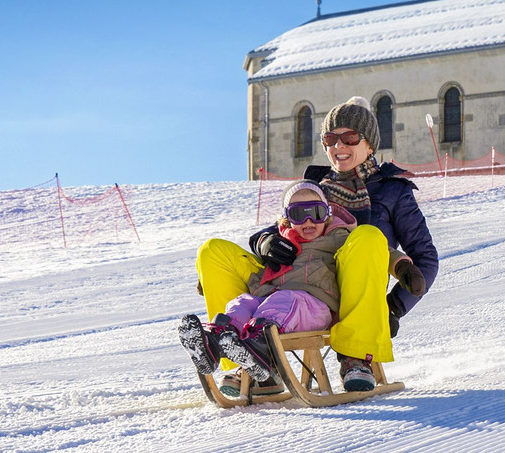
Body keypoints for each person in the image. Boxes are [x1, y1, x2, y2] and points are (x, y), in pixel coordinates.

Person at [192, 96, 438, 394]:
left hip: (341, 291)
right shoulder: (315, 189)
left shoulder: (393, 191)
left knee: (369, 236)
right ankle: (244, 359)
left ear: (370, 144)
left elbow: (424, 259)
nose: (339, 146)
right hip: (294, 277)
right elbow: (284, 225)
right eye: (331, 138)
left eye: (350, 137)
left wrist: (394, 307)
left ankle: (355, 357)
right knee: (213, 252)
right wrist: (264, 241)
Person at [180, 180, 365, 389]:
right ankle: (217, 342)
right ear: (286, 219)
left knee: (282, 300)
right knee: (244, 302)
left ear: (328, 214)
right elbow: (257, 244)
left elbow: (371, 248)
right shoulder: (280, 240)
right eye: (298, 214)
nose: (308, 220)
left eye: (316, 212)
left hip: (315, 306)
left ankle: (258, 347)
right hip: (276, 303)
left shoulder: (338, 236)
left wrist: (401, 265)